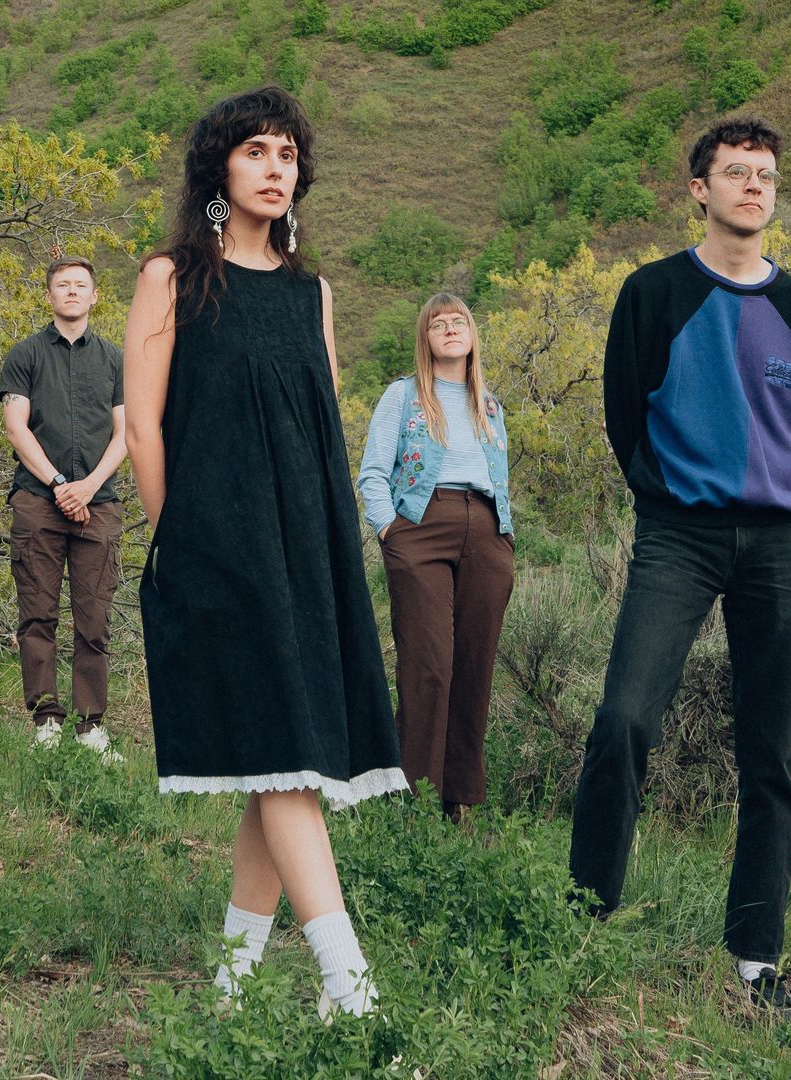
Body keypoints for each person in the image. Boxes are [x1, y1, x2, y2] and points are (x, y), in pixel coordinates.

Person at [123, 86, 405, 1017]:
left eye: (287, 154)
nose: (275, 168)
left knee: (277, 760)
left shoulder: (311, 292)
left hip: (308, 549)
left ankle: (232, 983)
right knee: (285, 754)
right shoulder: (171, 276)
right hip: (217, 546)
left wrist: (332, 551)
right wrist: (178, 537)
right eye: (256, 152)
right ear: (220, 168)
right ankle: (347, 983)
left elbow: (321, 428)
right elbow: (147, 424)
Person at [566, 116, 791, 1015]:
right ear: (700, 189)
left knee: (774, 753)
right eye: (735, 173)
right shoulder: (653, 291)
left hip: (778, 548)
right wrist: (667, 496)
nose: (753, 186)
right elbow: (622, 417)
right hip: (678, 536)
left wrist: (760, 492)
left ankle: (757, 961)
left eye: (765, 174)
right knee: (624, 720)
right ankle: (584, 921)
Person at [356, 294, 515, 822]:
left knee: (474, 666)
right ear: (425, 339)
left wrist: (503, 537)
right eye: (438, 324)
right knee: (429, 665)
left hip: (486, 532)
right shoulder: (402, 396)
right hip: (422, 527)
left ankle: (459, 802)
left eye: (459, 321)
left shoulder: (489, 404)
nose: (450, 329)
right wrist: (389, 529)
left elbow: (500, 476)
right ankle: (412, 798)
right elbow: (373, 471)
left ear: (472, 334)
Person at [0, 256, 128, 759]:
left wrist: (89, 486)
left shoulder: (116, 359)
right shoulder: (25, 355)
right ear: (49, 295)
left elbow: (127, 433)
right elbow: (16, 427)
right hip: (37, 501)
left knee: (94, 617)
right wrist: (58, 484)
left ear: (95, 296)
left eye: (80, 286)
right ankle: (46, 719)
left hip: (101, 503)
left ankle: (90, 726)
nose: (71, 292)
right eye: (62, 285)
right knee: (37, 614)